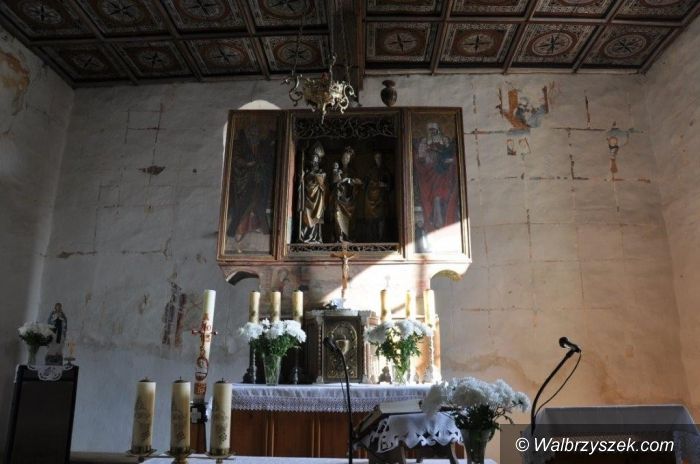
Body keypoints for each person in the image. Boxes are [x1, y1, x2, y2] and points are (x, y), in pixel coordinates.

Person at [226, 123, 275, 243]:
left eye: (257, 133)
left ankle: (267, 234)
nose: (255, 135)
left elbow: (268, 161)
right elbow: (236, 159)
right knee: (242, 206)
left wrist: (262, 165)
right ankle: (231, 232)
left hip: (260, 180)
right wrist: (246, 164)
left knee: (260, 206)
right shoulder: (242, 145)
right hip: (246, 181)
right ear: (248, 134)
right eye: (252, 133)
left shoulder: (262, 146)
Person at [414, 122, 459, 235]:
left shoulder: (444, 140)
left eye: (434, 130)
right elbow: (421, 159)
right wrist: (426, 158)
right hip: (430, 173)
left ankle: (442, 222)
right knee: (434, 197)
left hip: (443, 173)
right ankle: (435, 222)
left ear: (438, 130)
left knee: (441, 196)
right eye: (430, 130)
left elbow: (450, 156)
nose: (432, 132)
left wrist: (447, 160)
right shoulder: (425, 142)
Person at [331, 146, 363, 242]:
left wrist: (349, 180)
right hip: (339, 198)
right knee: (337, 217)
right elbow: (332, 183)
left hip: (349, 199)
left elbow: (359, 182)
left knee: (350, 219)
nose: (345, 159)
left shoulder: (352, 171)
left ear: (349, 159)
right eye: (344, 157)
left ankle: (348, 238)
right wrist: (337, 178)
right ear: (341, 158)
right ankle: (339, 238)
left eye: (347, 158)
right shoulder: (337, 169)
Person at [298, 142, 327, 243]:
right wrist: (302, 177)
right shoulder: (306, 171)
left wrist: (318, 177)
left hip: (318, 199)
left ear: (318, 160)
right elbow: (303, 182)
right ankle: (306, 237)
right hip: (308, 197)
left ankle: (315, 237)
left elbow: (323, 185)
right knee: (306, 215)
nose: (314, 161)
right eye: (312, 158)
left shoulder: (321, 172)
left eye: (316, 158)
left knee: (316, 217)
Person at [363, 152, 392, 242]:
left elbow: (390, 184)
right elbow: (365, 182)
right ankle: (371, 239)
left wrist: (384, 185)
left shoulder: (385, 170)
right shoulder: (371, 170)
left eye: (379, 157)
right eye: (376, 158)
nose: (378, 159)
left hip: (381, 198)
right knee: (371, 219)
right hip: (371, 198)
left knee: (381, 218)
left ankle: (381, 239)